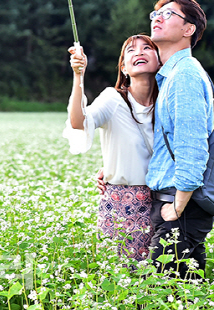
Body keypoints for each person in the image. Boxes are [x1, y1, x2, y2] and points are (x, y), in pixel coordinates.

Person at [63, 35, 160, 262]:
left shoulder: (168, 101)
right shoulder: (112, 99)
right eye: (131, 50)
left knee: (156, 279)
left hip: (161, 204)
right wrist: (79, 76)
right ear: (124, 68)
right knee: (120, 279)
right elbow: (79, 122)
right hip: (120, 203)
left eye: (147, 47)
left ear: (159, 61)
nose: (139, 52)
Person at [145, 0, 214, 280]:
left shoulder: (184, 75)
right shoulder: (172, 75)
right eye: (155, 15)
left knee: (164, 292)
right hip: (176, 204)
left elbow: (191, 146)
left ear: (189, 30)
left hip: (179, 206)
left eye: (168, 14)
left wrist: (176, 208)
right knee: (184, 294)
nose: (158, 18)